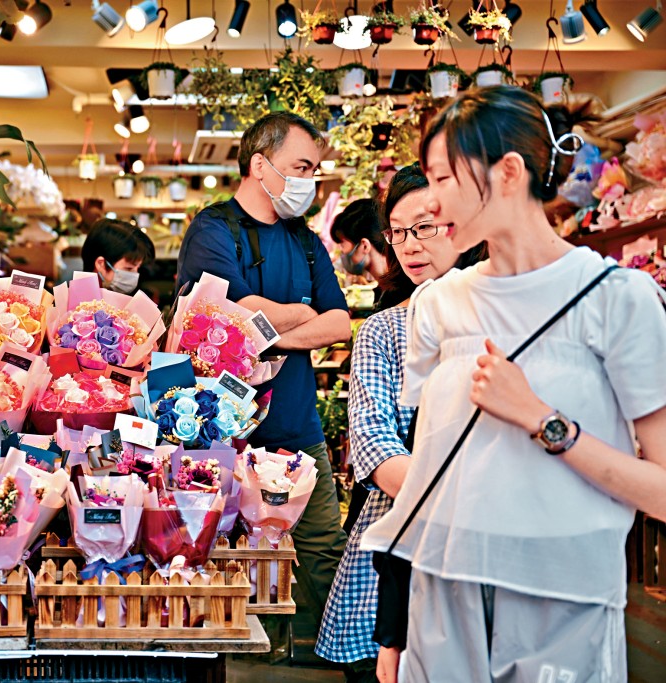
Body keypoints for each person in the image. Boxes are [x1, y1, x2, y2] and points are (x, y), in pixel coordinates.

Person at [360, 85, 666, 682]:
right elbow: (431, 479)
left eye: (444, 177)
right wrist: (393, 633)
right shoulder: (438, 305)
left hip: (563, 605)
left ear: (507, 173)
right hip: (443, 603)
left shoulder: (617, 300)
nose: (432, 198)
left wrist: (542, 420)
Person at [175, 112, 352, 633]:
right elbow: (223, 313)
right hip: (223, 432)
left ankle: (330, 654)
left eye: (314, 169)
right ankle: (241, 655)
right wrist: (299, 312)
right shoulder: (214, 229)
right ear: (260, 164)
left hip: (298, 427)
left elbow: (339, 322)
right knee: (225, 552)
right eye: (301, 166)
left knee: (322, 545)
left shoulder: (305, 240)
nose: (309, 181)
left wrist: (262, 326)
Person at [315, 164, 486, 682]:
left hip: (486, 560)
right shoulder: (385, 331)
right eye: (398, 231)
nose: (409, 245)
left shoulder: (503, 319)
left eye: (425, 227)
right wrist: (474, 504)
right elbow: (374, 446)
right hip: (395, 553)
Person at [81, 218, 154, 294]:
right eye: (129, 268)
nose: (135, 275)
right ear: (101, 264)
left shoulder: (130, 301)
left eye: (138, 268)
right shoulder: (72, 301)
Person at [330, 198, 390, 281]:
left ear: (365, 246)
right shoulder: (387, 287)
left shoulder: (399, 291)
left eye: (342, 244)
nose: (341, 251)